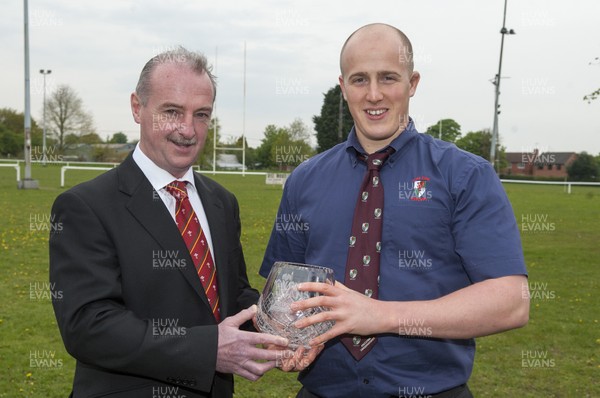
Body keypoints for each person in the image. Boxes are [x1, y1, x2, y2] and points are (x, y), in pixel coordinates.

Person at [260, 23, 529, 398]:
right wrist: (286, 336)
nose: (374, 95)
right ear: (343, 87)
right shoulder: (304, 179)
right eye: (359, 80)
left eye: (388, 77)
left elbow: (510, 302)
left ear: (412, 82)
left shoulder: (465, 175)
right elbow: (283, 293)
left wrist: (380, 315)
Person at [49, 47, 292, 398]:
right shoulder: (85, 206)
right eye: (172, 112)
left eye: (202, 114)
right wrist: (209, 349)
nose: (187, 130)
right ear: (137, 107)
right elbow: (89, 326)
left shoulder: (222, 202)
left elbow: (233, 292)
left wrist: (279, 323)